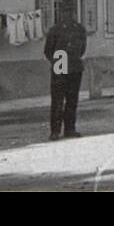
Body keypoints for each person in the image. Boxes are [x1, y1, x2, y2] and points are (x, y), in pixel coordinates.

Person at [43, 10, 87, 141]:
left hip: (69, 63)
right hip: (66, 62)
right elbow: (48, 50)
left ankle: (67, 129)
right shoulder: (59, 30)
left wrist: (57, 60)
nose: (69, 16)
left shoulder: (77, 29)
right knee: (60, 100)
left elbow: (48, 51)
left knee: (69, 99)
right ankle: (58, 130)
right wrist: (57, 61)